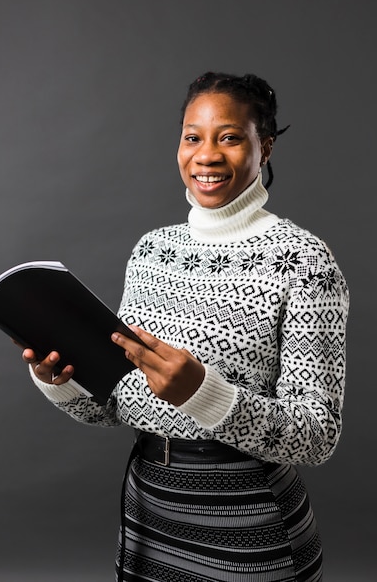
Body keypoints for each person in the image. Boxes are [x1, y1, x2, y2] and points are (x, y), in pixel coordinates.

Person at [22, 71, 349, 582]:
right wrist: (58, 379)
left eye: (230, 137)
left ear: (264, 146)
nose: (207, 154)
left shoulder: (303, 260)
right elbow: (116, 405)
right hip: (150, 510)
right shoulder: (152, 252)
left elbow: (316, 436)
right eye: (193, 137)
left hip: (251, 520)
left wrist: (204, 394)